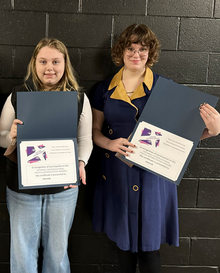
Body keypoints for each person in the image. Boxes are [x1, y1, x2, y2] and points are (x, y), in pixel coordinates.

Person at [91, 24, 220, 273]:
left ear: (151, 52)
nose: (136, 54)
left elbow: (181, 139)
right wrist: (109, 143)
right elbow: (94, 132)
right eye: (130, 47)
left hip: (153, 175)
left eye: (143, 48)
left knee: (150, 249)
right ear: (121, 50)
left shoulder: (166, 88)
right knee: (124, 246)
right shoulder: (103, 89)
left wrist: (212, 131)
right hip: (117, 172)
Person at [0, 38, 93, 273]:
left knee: (57, 255)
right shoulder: (18, 95)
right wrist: (11, 136)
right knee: (22, 254)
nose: (50, 67)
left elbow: (85, 140)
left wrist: (81, 163)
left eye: (56, 61)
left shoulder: (78, 98)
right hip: (22, 188)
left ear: (65, 64)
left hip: (63, 187)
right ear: (34, 64)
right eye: (44, 61)